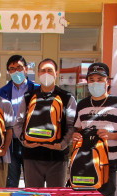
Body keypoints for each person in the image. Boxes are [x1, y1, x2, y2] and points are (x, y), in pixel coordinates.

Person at [72, 62, 117, 196]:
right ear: (87, 81)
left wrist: (112, 136)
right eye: (92, 80)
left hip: (108, 163)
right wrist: (75, 136)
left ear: (108, 81)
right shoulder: (82, 105)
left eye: (100, 79)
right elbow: (77, 130)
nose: (95, 83)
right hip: (84, 161)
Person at [14, 58, 76, 187]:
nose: (46, 73)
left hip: (57, 157)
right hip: (32, 157)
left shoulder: (67, 97)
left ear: (56, 74)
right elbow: (18, 123)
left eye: (50, 70)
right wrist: (24, 141)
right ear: (38, 73)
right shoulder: (28, 97)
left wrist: (62, 144)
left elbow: (72, 126)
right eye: (43, 70)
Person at [0, 55, 40, 187]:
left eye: (19, 68)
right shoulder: (2, 92)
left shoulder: (37, 89)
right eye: (12, 69)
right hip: (11, 143)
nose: (16, 71)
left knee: (32, 182)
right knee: (11, 182)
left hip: (31, 141)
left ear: (26, 69)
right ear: (9, 72)